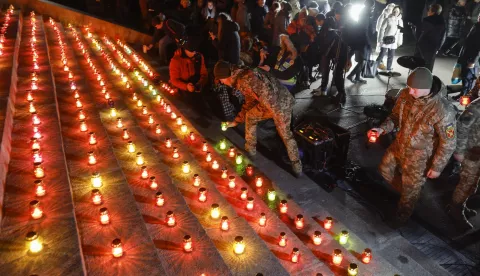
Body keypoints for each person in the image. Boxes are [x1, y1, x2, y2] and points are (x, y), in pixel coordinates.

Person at [370, 67, 456, 227]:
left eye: (414, 89)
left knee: (410, 190)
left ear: (427, 88)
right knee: (384, 169)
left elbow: (449, 142)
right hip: (399, 144)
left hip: (420, 158)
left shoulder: (443, 110)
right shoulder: (404, 94)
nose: (410, 92)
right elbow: (394, 117)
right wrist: (381, 129)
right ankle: (409, 193)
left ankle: (401, 216)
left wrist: (437, 167)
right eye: (409, 88)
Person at [214, 60, 303, 177]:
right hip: (278, 100)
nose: (222, 83)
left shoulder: (246, 79)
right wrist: (237, 120)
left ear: (226, 76)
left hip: (279, 104)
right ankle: (250, 150)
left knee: (285, 134)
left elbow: (267, 98)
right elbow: (250, 100)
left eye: (221, 80)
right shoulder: (242, 74)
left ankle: (297, 167)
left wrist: (277, 117)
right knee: (251, 116)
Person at [449, 98, 480, 232]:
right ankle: (455, 210)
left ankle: (461, 204)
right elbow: (461, 127)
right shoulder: (477, 106)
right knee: (466, 183)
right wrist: (459, 151)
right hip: (471, 153)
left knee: (473, 185)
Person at [312, 8, 348, 104]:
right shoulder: (331, 25)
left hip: (327, 53)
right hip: (331, 52)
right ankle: (323, 88)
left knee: (325, 71)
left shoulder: (326, 27)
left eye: (317, 22)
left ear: (320, 20)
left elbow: (324, 41)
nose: (317, 24)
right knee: (326, 71)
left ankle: (324, 90)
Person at [169, 36, 208, 102]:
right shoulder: (176, 60)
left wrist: (200, 84)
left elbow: (204, 73)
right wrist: (186, 86)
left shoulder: (199, 57)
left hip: (197, 85)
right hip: (183, 88)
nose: (194, 53)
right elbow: (174, 80)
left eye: (195, 51)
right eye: (191, 51)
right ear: (185, 49)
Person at [344, 0, 375, 85]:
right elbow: (364, 29)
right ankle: (351, 75)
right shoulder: (365, 14)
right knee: (363, 61)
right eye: (373, 6)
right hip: (362, 41)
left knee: (361, 60)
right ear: (370, 6)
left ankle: (357, 78)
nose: (373, 8)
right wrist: (368, 42)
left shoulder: (365, 13)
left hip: (361, 40)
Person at [452, 13, 480, 101]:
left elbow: (478, 47)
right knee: (464, 76)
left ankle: (465, 97)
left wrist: (473, 61)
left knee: (469, 78)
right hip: (466, 55)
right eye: (479, 15)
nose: (479, 17)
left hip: (472, 58)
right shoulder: (476, 26)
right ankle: (462, 94)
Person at [415, 4, 445, 72]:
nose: (427, 12)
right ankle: (427, 79)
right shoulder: (442, 22)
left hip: (423, 45)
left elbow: (421, 33)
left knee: (418, 64)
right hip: (434, 46)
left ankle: (416, 80)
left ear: (432, 11)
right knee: (429, 65)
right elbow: (443, 36)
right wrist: (438, 47)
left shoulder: (426, 20)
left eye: (429, 10)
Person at [376, 6, 403, 72]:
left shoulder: (400, 21)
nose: (395, 12)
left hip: (394, 41)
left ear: (399, 12)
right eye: (394, 11)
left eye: (397, 11)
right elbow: (381, 29)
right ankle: (374, 67)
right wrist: (381, 40)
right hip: (386, 40)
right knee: (381, 55)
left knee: (391, 56)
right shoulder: (388, 19)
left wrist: (399, 41)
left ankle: (388, 69)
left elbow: (400, 32)